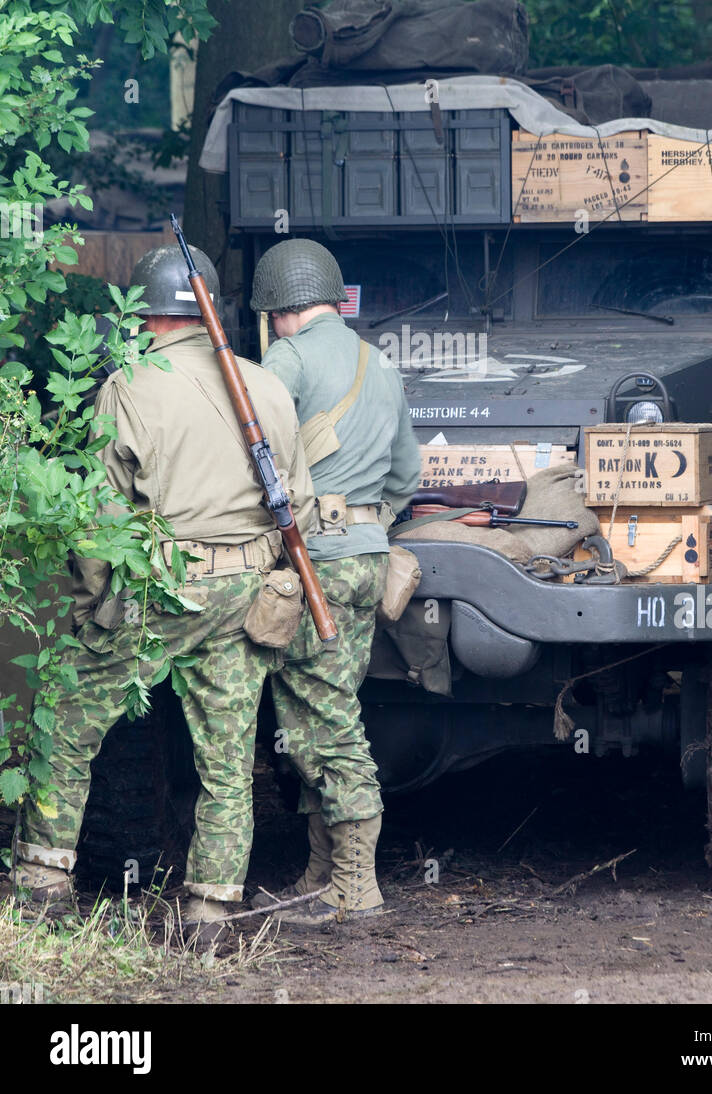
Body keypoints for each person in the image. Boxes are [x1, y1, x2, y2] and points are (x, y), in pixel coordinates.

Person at [16, 244, 316, 944]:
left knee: (67, 717)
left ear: (146, 317)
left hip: (160, 587)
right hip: (248, 589)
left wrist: (95, 606)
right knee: (228, 751)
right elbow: (296, 499)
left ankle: (41, 883)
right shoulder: (266, 386)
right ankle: (210, 909)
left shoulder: (129, 386)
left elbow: (99, 518)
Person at [250, 239, 420, 925]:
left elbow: (252, 450)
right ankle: (320, 873)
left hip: (312, 561)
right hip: (369, 560)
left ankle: (355, 887)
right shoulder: (379, 362)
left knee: (327, 726)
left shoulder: (286, 359)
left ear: (278, 311)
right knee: (330, 707)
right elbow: (406, 475)